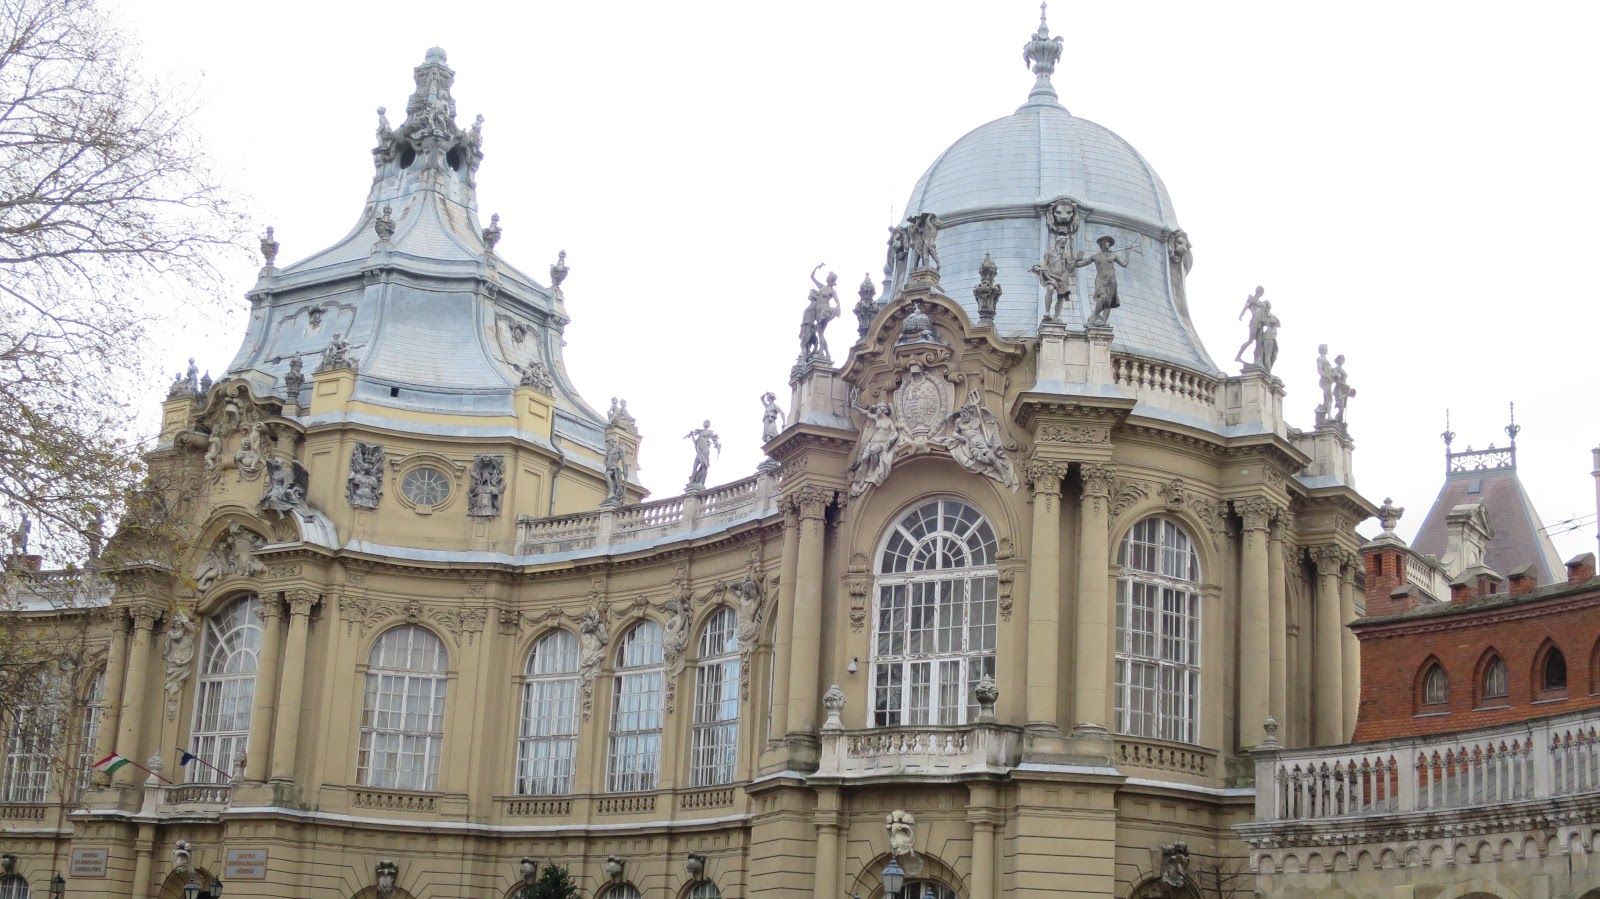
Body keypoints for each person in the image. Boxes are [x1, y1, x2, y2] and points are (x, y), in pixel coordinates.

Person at [1075, 235, 1138, 327]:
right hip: (1100, 280)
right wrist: (1076, 260)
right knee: (1102, 297)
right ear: (1101, 244)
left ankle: (1103, 321)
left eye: (1108, 242)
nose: (1107, 243)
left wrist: (1127, 253)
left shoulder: (1113, 255)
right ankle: (1094, 317)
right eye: (1105, 242)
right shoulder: (1095, 256)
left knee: (1108, 302)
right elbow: (1080, 264)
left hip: (1111, 280)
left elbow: (1124, 264)